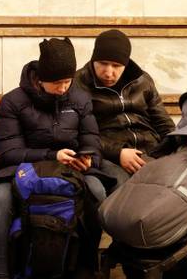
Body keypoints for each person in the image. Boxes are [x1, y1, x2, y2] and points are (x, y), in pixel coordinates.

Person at [0, 38, 100, 279]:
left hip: (68, 173)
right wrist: (51, 155)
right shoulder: (14, 102)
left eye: (68, 82)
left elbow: (92, 140)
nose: (63, 89)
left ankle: (84, 276)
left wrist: (89, 159)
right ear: (40, 79)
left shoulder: (80, 99)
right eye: (57, 83)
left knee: (98, 193)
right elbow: (7, 153)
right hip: (21, 172)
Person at [74, 29, 176, 189]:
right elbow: (77, 132)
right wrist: (118, 152)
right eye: (103, 64)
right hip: (108, 154)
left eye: (116, 66)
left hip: (150, 151)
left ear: (126, 64)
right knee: (123, 188)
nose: (109, 73)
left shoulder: (142, 80)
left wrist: (176, 149)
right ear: (93, 59)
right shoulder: (78, 84)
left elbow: (163, 123)